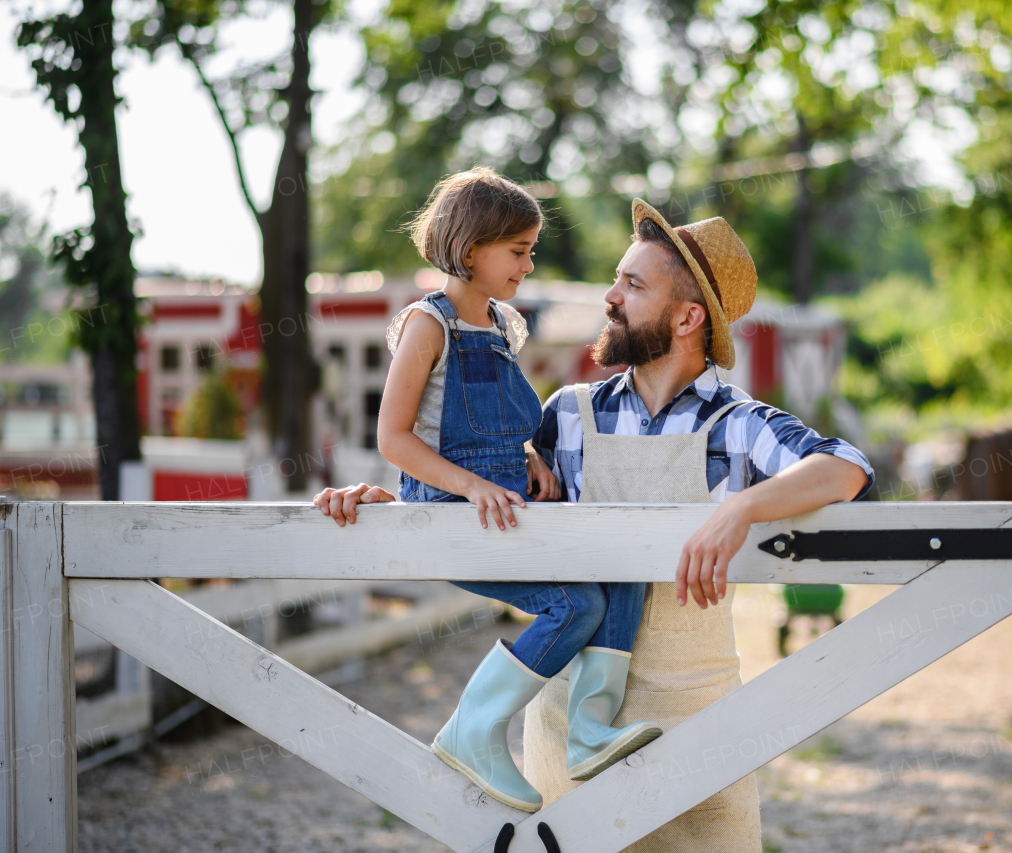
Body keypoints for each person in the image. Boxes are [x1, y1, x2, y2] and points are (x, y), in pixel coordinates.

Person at [315, 199, 874, 851]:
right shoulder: (568, 415)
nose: (609, 296)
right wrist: (397, 502)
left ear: (688, 316)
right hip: (566, 758)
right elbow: (494, 505)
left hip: (697, 742)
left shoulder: (739, 425)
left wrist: (741, 506)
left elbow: (846, 467)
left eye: (632, 285)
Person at [370, 168, 660, 814]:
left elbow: (494, 417)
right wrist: (473, 484)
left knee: (623, 566)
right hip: (450, 512)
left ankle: (589, 731)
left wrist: (525, 454)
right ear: (471, 248)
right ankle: (472, 729)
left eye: (530, 250)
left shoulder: (504, 325)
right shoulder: (428, 325)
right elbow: (394, 438)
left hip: (502, 507)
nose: (529, 265)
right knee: (572, 604)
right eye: (519, 250)